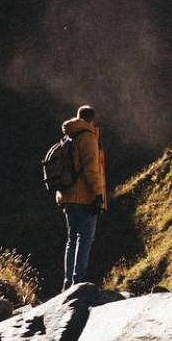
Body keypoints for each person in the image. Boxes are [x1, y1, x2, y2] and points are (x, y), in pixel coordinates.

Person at [56, 104, 107, 290]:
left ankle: (67, 282)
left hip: (67, 196)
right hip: (85, 197)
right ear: (92, 119)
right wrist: (98, 195)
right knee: (85, 239)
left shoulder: (70, 135)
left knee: (71, 240)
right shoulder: (88, 137)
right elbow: (91, 170)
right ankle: (79, 282)